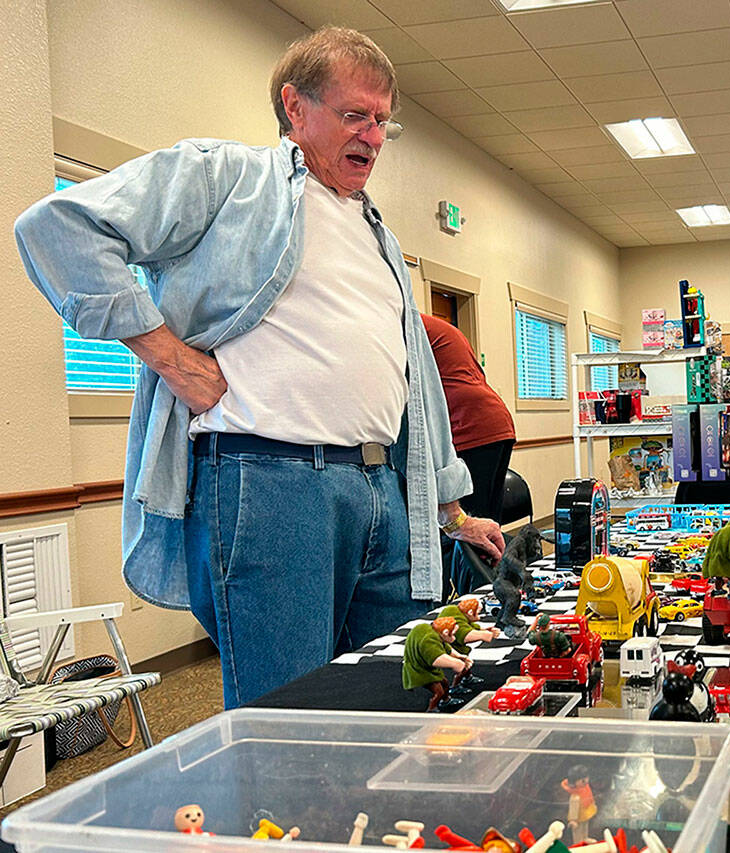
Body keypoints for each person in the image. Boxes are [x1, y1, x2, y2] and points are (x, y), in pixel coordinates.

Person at [13, 27, 505, 709]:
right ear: (295, 107)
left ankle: (370, 822)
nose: (371, 134)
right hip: (270, 484)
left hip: (382, 491)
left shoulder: (381, 237)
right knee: (288, 713)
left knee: (398, 698)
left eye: (382, 121)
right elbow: (57, 229)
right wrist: (171, 358)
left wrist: (451, 510)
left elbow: (413, 385)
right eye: (354, 114)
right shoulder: (227, 177)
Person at [420, 314, 516, 596]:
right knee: (486, 524)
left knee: (467, 529)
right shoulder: (437, 326)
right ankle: (497, 592)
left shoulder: (409, 324)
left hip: (468, 425)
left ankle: (478, 599)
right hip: (494, 421)